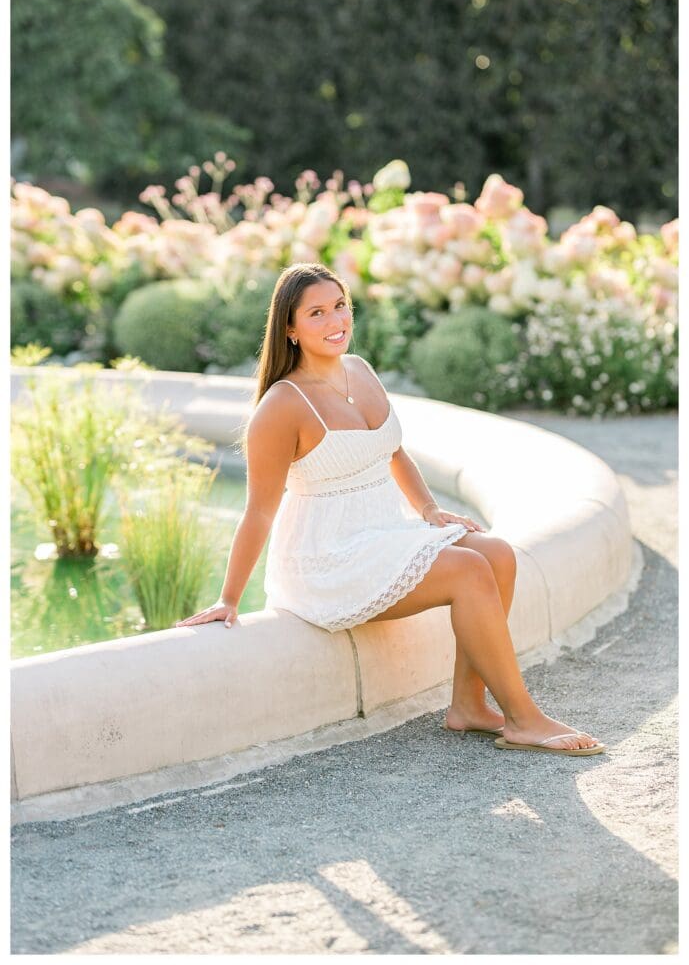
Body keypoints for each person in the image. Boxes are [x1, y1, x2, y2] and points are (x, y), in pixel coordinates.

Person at [175, 262, 605, 756]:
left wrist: (428, 509)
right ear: (289, 329)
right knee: (468, 570)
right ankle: (525, 718)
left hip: (383, 532)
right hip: (328, 558)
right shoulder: (281, 407)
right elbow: (258, 513)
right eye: (316, 313)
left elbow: (393, 450)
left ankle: (468, 705)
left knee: (499, 554)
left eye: (340, 306)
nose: (335, 320)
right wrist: (229, 598)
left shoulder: (359, 370)